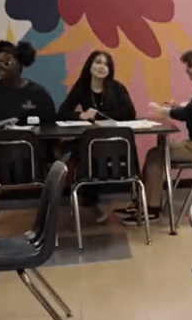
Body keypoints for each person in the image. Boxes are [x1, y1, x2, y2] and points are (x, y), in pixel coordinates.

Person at [115, 47, 192, 225]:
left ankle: (151, 209)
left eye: (191, 65)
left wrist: (164, 111)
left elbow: (191, 112)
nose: (187, 69)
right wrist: (177, 107)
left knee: (155, 156)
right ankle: (144, 204)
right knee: (156, 154)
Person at [57, 50, 137, 223]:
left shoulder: (116, 88)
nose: (102, 67)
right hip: (91, 145)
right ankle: (90, 200)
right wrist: (81, 116)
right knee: (82, 151)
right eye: (98, 62)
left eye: (106, 64)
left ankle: (135, 200)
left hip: (113, 143)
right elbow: (62, 113)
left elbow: (130, 113)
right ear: (89, 66)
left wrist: (99, 115)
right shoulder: (82, 88)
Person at [0, 40, 56, 166]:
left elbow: (51, 129)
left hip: (30, 156)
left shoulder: (39, 94)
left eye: (6, 61)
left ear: (20, 63)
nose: (0, 66)